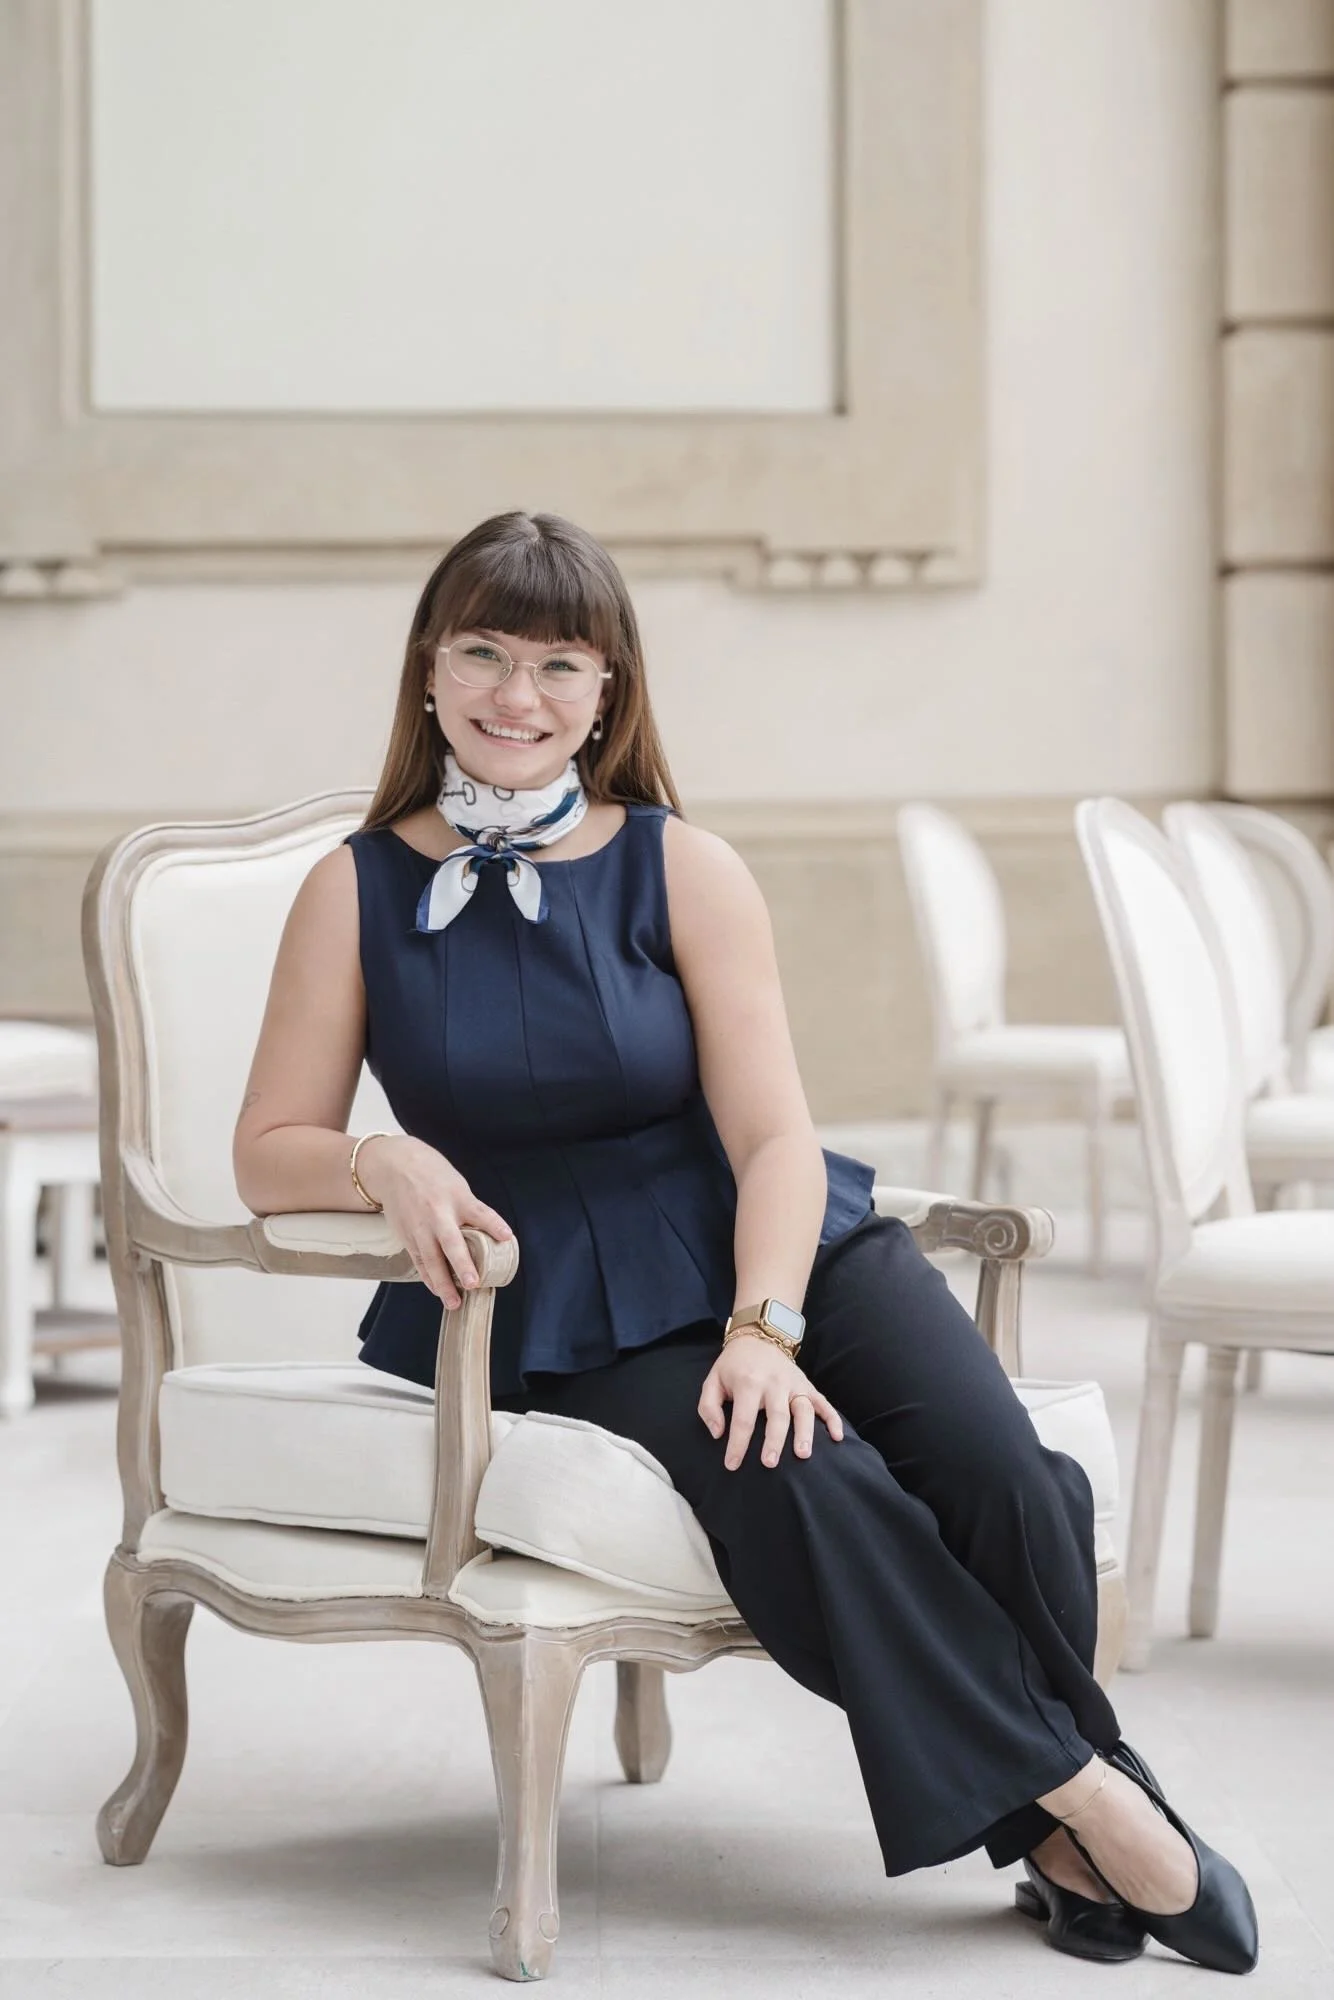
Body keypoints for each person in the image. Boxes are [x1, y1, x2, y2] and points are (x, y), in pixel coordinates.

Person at [234, 510, 1257, 1974]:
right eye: (480, 652)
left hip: (780, 1243)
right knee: (816, 1487)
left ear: (608, 693)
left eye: (555, 663)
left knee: (1002, 1473)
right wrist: (376, 1153)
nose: (513, 695)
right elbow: (266, 1153)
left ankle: (1054, 1820)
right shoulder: (353, 887)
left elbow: (774, 1137)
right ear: (427, 668)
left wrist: (762, 1326)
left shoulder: (681, 866)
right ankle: (1091, 1803)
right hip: (565, 1296)